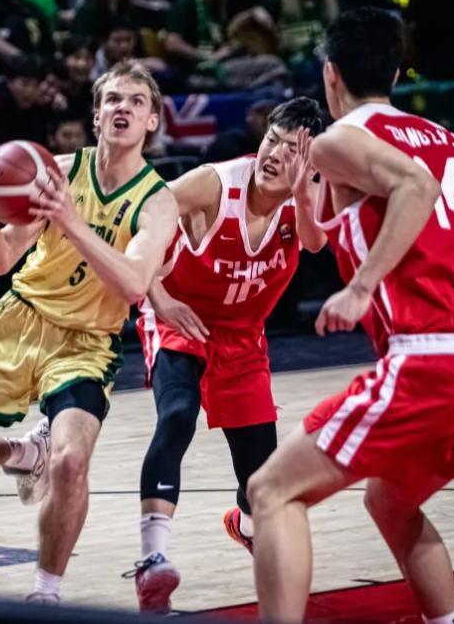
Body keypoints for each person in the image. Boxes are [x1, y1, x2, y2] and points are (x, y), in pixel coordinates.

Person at [246, 6, 454, 624]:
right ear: (396, 73)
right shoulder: (447, 139)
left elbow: (415, 187)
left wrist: (361, 287)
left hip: (431, 362)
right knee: (390, 502)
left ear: (330, 74)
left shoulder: (342, 139)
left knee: (270, 490)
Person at [0, 60, 179, 604]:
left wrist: (72, 222)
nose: (123, 108)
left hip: (85, 344)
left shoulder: (157, 200)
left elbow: (133, 284)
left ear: (152, 121)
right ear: (96, 115)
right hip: (19, 321)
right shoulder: (53, 172)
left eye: (137, 101)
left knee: (71, 461)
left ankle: (45, 593)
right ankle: (18, 453)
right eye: (113, 99)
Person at [126, 97, 327, 614]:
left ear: (310, 161)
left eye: (290, 149)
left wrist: (304, 198)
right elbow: (140, 213)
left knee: (261, 481)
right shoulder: (214, 184)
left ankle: (246, 526)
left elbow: (314, 243)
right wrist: (158, 297)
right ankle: (152, 560)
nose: (274, 154)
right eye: (271, 140)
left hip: (242, 336)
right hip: (180, 318)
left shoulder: (308, 196)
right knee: (177, 416)